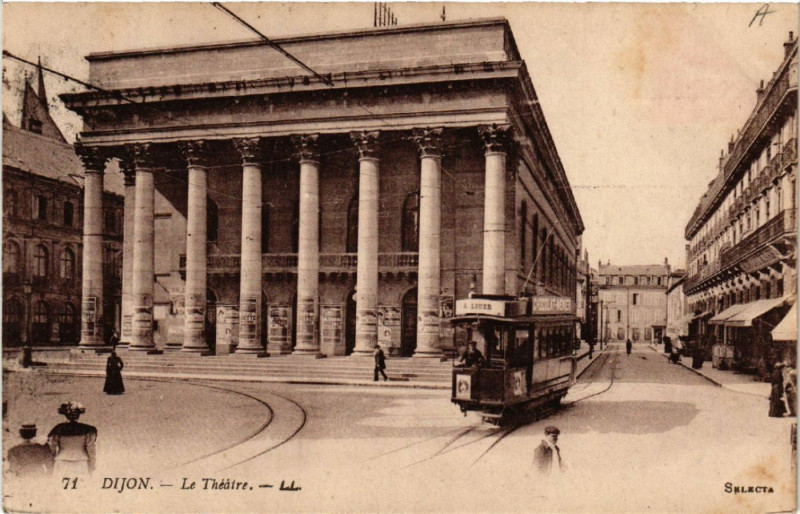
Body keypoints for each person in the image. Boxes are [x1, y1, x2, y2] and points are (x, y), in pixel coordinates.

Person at [48, 402, 97, 475]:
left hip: (62, 462)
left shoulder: (58, 429)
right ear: (79, 415)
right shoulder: (87, 430)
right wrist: (92, 464)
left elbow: (52, 448)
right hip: (81, 462)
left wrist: (51, 464)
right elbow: (91, 449)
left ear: (65, 415)